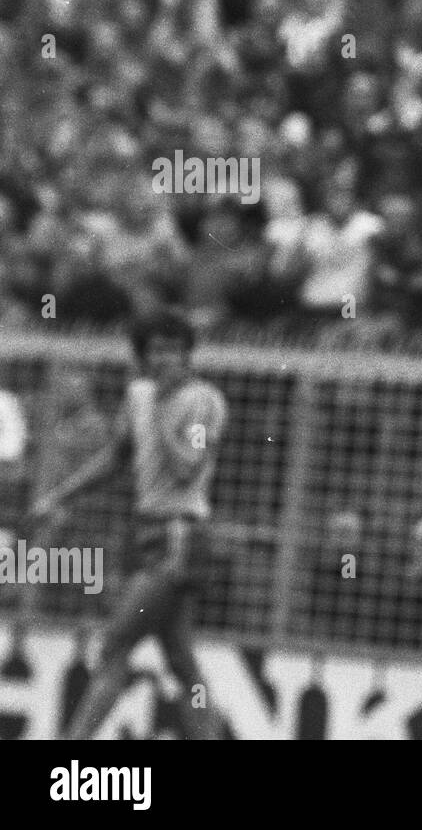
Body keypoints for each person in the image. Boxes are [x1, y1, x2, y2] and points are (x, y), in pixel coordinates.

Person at [32, 309, 227, 739]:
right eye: (156, 349)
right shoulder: (137, 395)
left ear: (187, 355)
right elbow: (117, 458)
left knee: (115, 642)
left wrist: (159, 414)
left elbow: (188, 468)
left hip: (181, 537)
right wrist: (62, 494)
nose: (165, 359)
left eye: (174, 350)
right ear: (143, 355)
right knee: (180, 659)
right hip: (141, 535)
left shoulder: (204, 402)